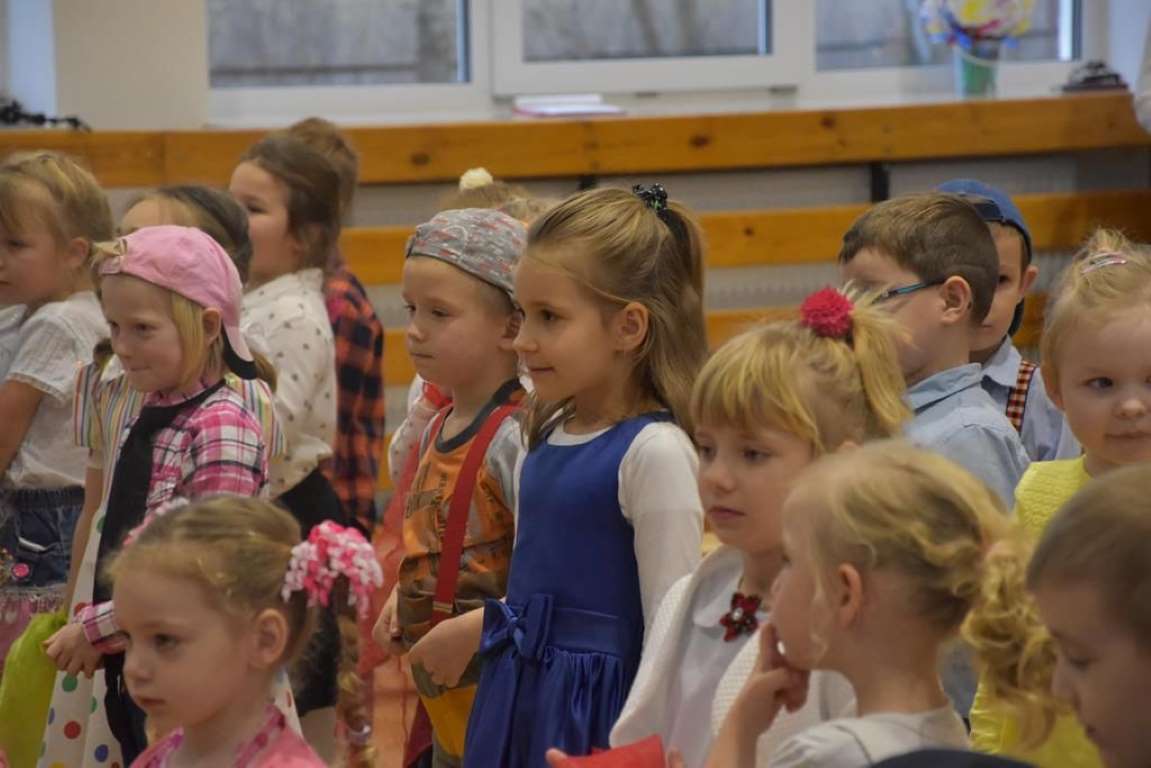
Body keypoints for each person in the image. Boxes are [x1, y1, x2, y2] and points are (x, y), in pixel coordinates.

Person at [458, 184, 707, 766]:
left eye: (550, 317)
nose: (523, 340)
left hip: (595, 718)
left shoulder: (655, 453)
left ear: (629, 327)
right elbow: (537, 589)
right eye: (523, 314)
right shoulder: (544, 433)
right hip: (519, 693)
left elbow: (670, 634)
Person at [608, 286, 907, 767]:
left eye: (752, 454)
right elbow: (651, 738)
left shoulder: (849, 626)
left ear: (835, 467)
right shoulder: (690, 597)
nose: (717, 477)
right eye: (707, 449)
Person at [41, 187, 284, 768]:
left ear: (207, 324)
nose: (122, 347)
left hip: (196, 669)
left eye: (142, 329)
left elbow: (202, 570)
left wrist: (99, 627)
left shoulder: (222, 426)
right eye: (114, 326)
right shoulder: (151, 409)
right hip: (144, 654)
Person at [968, 231, 1151, 767]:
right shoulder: (1035, 493)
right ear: (1055, 388)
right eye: (1102, 383)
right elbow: (1004, 649)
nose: (1132, 406)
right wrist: (985, 752)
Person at [708, 442, 1007, 766]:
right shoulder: (951, 735)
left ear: (845, 594)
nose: (777, 583)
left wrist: (740, 726)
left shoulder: (825, 756)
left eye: (789, 560)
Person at [373, 208, 527, 765]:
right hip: (447, 690)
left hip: (504, 685)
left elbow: (543, 573)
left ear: (510, 327)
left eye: (439, 313)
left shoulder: (517, 438)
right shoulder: (436, 425)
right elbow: (433, 537)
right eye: (412, 309)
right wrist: (403, 596)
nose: (415, 329)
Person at [111, 496, 380, 767]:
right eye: (128, 638)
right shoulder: (158, 757)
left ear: (265, 639)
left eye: (164, 640)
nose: (133, 668)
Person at [0, 151, 111, 666]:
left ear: (74, 253)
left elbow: (5, 432)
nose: (0, 258)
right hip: (42, 514)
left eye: (15, 245)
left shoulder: (59, 322)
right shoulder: (30, 312)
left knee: (21, 655)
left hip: (40, 520)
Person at [936, 179, 1077, 461]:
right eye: (959, 280)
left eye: (1000, 280)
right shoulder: (894, 385)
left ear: (1024, 284)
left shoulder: (1046, 397)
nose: (982, 300)